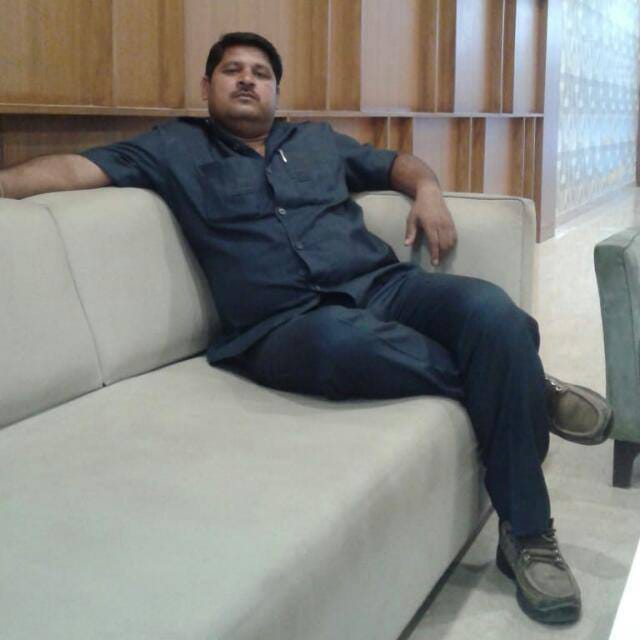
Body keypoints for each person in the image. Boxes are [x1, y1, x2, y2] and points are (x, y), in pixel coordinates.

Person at [0, 31, 612, 625]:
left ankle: (512, 396)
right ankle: (530, 510)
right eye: (232, 70)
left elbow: (395, 163)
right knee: (348, 343)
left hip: (381, 285)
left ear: (276, 90)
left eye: (260, 73)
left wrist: (428, 189)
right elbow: (74, 169)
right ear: (207, 86)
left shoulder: (316, 142)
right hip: (286, 324)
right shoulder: (170, 149)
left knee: (491, 310)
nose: (247, 80)